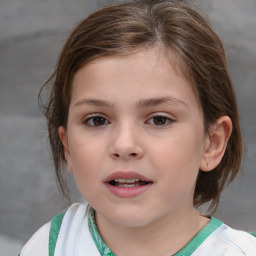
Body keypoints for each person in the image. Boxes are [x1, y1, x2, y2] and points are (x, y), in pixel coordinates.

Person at [19, 0, 256, 255]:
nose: (124, 145)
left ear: (212, 143)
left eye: (159, 120)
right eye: (97, 120)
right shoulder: (48, 246)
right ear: (67, 146)